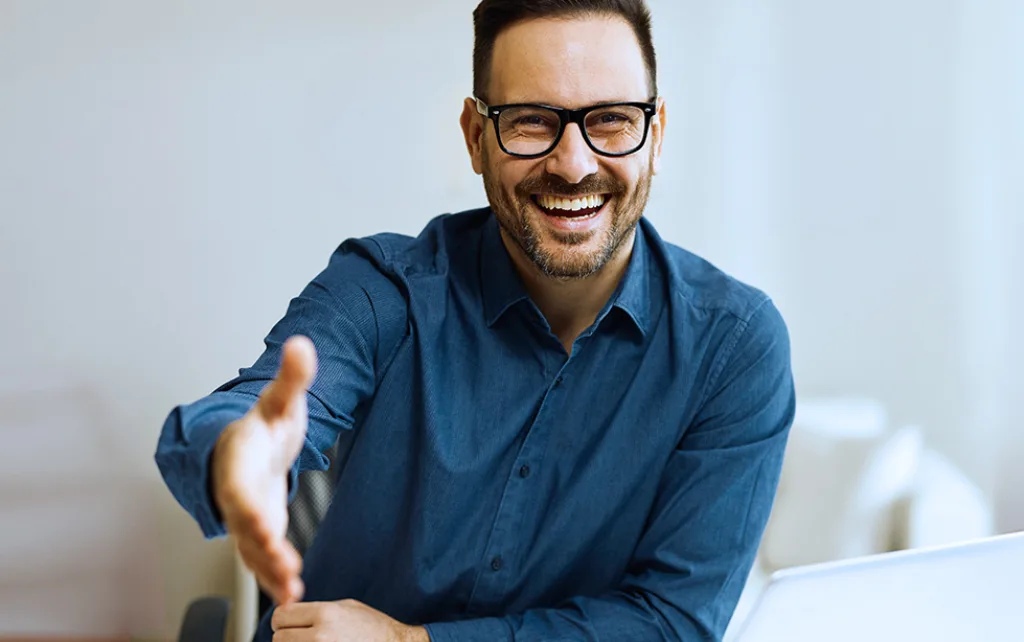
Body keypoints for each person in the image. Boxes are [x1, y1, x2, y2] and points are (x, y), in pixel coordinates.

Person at [155, 1, 796, 640]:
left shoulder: (732, 346)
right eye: (530, 121)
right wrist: (238, 455)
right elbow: (256, 408)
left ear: (654, 136)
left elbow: (669, 623)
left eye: (611, 120)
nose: (573, 164)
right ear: (474, 136)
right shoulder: (386, 288)